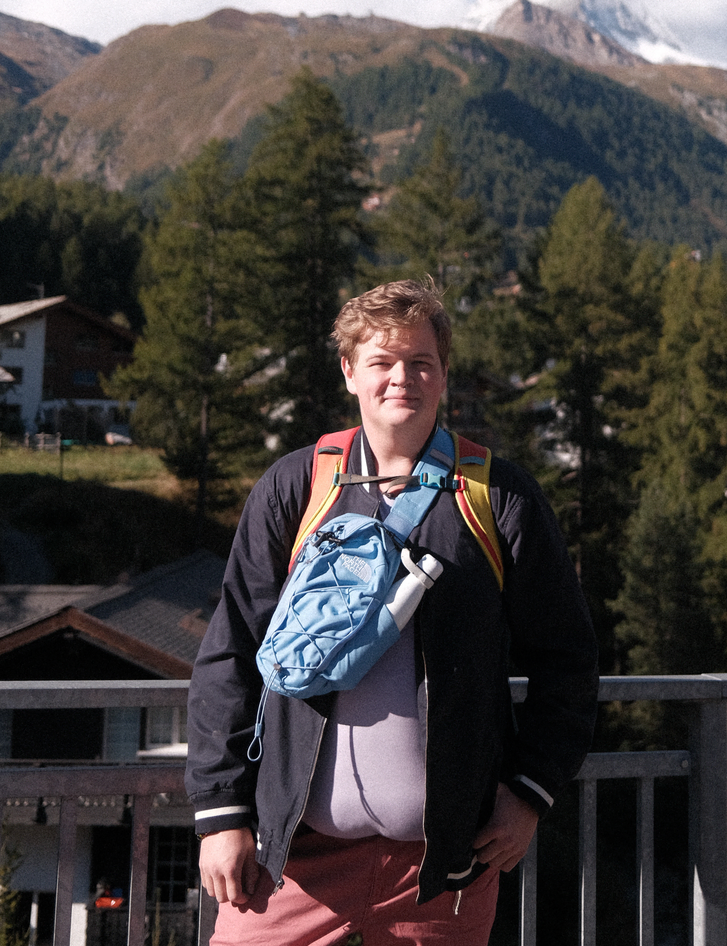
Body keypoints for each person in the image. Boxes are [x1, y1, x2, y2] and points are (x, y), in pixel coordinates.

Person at [186, 278, 599, 946]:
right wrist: (219, 811)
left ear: (442, 377)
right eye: (381, 362)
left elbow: (568, 662)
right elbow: (230, 653)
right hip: (291, 863)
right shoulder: (298, 487)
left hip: (440, 873)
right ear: (350, 372)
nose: (400, 377)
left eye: (420, 363)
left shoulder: (498, 498)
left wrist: (529, 792)